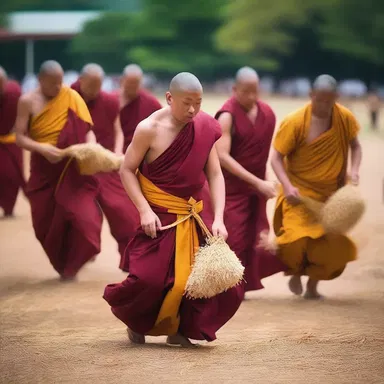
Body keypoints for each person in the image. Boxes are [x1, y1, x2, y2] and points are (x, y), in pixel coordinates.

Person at [103, 72, 242, 346]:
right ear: (169, 98)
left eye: (198, 103)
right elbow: (127, 169)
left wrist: (220, 218)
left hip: (193, 214)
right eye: (186, 103)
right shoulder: (148, 129)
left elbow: (215, 174)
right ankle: (136, 322)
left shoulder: (205, 126)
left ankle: (179, 330)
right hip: (159, 216)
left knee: (195, 281)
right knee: (149, 280)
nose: (193, 110)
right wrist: (144, 210)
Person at [270, 74, 362, 299]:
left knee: (331, 246)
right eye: (319, 99)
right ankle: (296, 272)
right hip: (299, 194)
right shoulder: (295, 121)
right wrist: (288, 186)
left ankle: (312, 285)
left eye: (328, 100)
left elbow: (356, 146)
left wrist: (355, 169)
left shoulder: (345, 118)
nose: (323, 104)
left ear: (336, 97)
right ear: (311, 95)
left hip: (331, 197)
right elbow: (275, 158)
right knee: (295, 239)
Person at [15, 60, 102, 280]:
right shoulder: (27, 101)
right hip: (44, 169)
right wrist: (41, 148)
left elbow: (88, 129)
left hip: (73, 168)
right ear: (40, 80)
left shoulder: (71, 95)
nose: (58, 88)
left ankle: (76, 260)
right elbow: (19, 137)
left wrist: (91, 144)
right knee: (44, 223)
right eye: (53, 83)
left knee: (86, 220)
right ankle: (64, 265)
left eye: (61, 82)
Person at [215, 67, 286, 297]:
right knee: (233, 238)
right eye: (246, 92)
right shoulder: (227, 115)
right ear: (235, 89)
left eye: (255, 91)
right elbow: (222, 156)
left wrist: (262, 184)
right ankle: (230, 289)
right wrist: (257, 183)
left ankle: (240, 286)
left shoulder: (268, 113)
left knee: (257, 239)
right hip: (232, 189)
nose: (252, 97)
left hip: (257, 188)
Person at [71, 64, 139, 263]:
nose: (94, 91)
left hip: (106, 164)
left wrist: (118, 152)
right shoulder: (68, 98)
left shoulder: (109, 100)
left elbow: (117, 130)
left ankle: (130, 260)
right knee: (85, 217)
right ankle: (83, 253)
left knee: (125, 213)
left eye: (97, 87)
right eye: (90, 86)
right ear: (81, 81)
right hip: (78, 166)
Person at [117, 64, 162, 152]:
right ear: (122, 81)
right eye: (130, 83)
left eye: (136, 83)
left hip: (141, 152)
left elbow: (162, 126)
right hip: (116, 153)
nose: (133, 87)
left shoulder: (151, 103)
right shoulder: (112, 101)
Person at [0, 66, 26, 217]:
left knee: (12, 175)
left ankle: (8, 208)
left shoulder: (14, 92)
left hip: (11, 141)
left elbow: (23, 114)